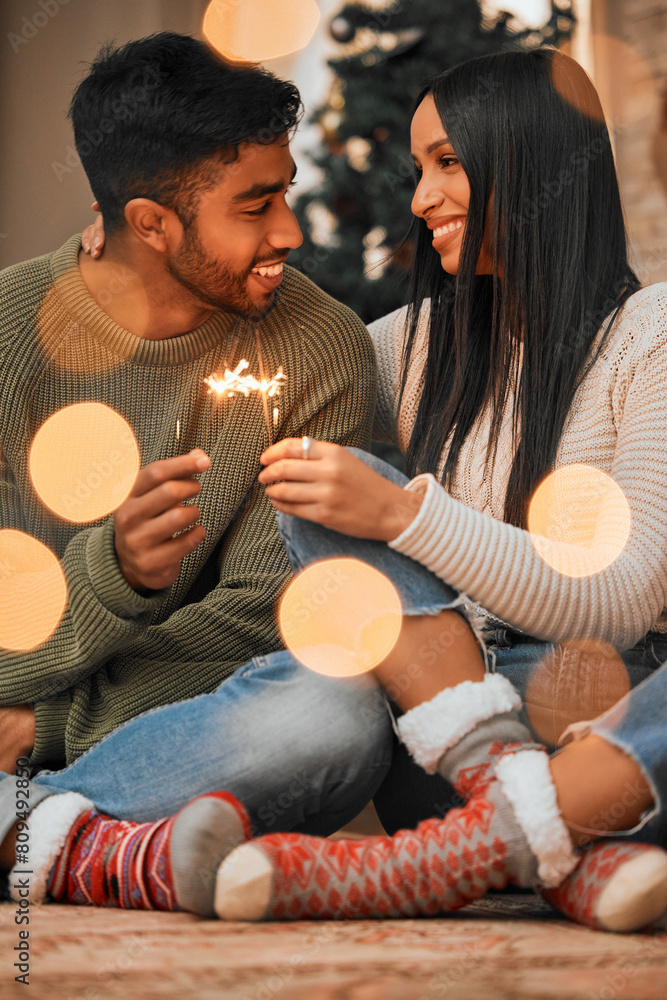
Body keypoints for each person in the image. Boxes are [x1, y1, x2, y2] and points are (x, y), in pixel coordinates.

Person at [207, 47, 667, 930]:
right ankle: (504, 819)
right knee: (325, 473)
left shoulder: (649, 339)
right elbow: (265, 353)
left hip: (608, 727)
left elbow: (623, 594)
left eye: (447, 162)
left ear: (530, 159)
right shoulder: (405, 347)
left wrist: (407, 516)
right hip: (447, 741)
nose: (420, 201)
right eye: (419, 168)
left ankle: (466, 852)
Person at [0, 32, 394, 913]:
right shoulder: (6, 335)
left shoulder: (317, 346)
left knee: (336, 713)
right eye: (256, 206)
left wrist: (45, 725)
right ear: (150, 222)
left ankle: (38, 831)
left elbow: (267, 618)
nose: (289, 232)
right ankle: (104, 848)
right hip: (152, 748)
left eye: (283, 194)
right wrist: (117, 575)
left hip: (189, 729)